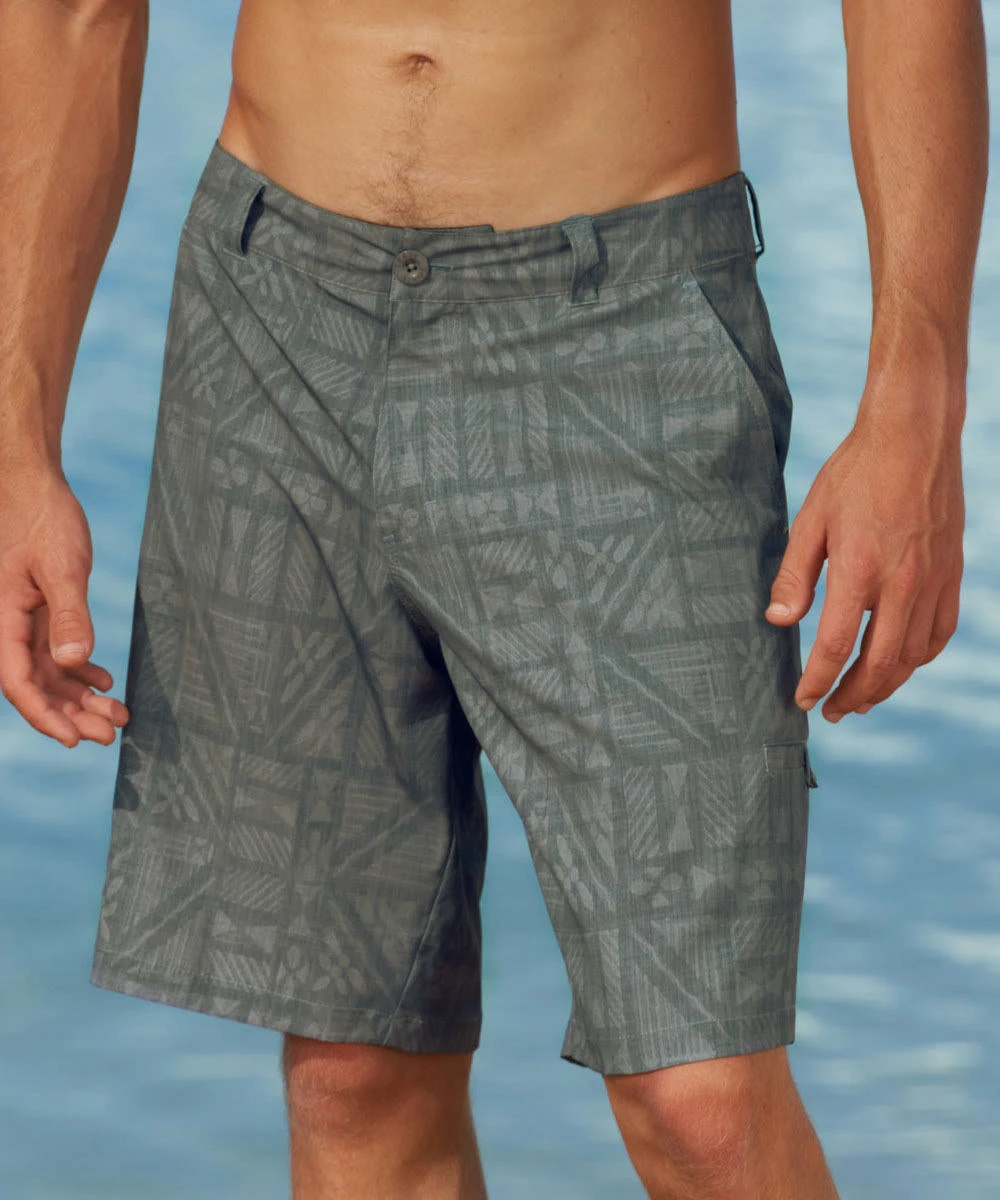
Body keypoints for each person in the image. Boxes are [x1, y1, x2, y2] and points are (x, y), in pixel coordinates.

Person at [0, 0, 986, 1196]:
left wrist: (915, 405)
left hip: (618, 325)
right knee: (350, 1072)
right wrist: (17, 437)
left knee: (702, 1099)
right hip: (274, 317)